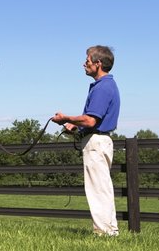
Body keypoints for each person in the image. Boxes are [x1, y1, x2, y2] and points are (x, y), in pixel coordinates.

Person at [52, 45, 120, 236]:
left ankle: (104, 233)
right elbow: (90, 120)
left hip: (96, 143)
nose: (84, 64)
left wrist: (66, 119)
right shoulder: (107, 85)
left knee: (97, 190)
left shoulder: (103, 87)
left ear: (98, 64)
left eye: (88, 60)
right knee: (102, 188)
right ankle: (109, 231)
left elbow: (91, 119)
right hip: (99, 141)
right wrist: (76, 126)